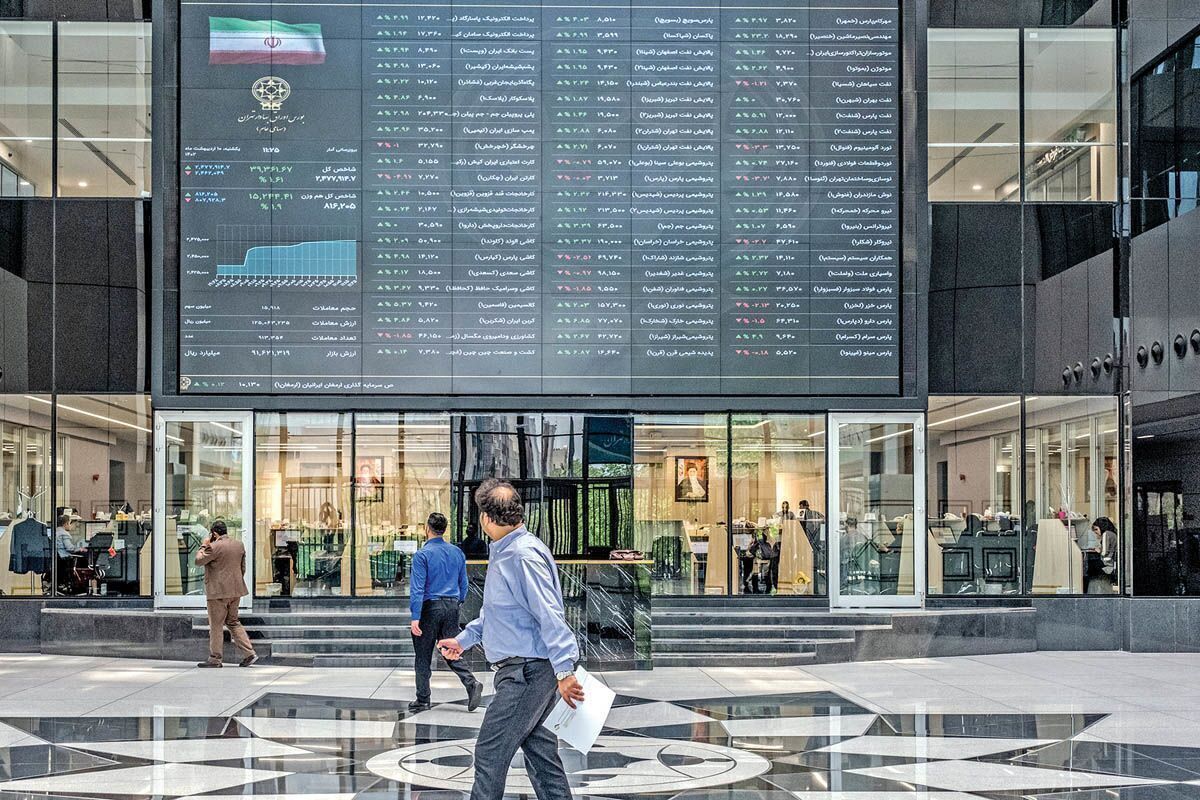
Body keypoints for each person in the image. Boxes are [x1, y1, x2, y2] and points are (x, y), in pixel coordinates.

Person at [438, 479, 583, 800]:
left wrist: (564, 671)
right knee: (541, 755)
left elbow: (549, 613)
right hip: (527, 671)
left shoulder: (522, 556)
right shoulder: (509, 551)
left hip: (527, 674)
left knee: (490, 751)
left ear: (486, 518)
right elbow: (501, 613)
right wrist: (465, 639)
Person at [408, 511, 482, 713]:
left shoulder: (422, 555)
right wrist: (457, 603)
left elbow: (417, 588)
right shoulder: (457, 552)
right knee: (450, 648)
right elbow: (463, 584)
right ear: (444, 529)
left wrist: (415, 616)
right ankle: (470, 682)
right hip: (451, 606)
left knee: (423, 655)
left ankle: (423, 699)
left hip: (429, 608)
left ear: (427, 528)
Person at [195, 520, 257, 668]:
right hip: (236, 590)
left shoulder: (213, 546)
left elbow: (198, 561)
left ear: (214, 533)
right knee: (233, 622)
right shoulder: (239, 545)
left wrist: (204, 544)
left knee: (216, 625)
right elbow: (243, 568)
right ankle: (249, 654)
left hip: (218, 592)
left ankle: (215, 659)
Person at [1087, 517, 1119, 593]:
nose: (1096, 532)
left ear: (1102, 527)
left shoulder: (1106, 534)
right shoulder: (1112, 533)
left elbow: (1104, 552)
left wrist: (1098, 550)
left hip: (1107, 562)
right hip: (1112, 562)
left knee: (1089, 566)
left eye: (1096, 529)